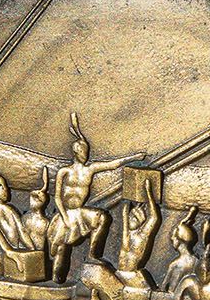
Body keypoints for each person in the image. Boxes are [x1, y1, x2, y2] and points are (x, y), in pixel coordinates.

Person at [47, 115, 144, 277]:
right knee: (61, 248)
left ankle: (93, 255)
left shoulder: (89, 170)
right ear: (76, 151)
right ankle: (56, 279)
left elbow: (112, 165)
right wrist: (65, 218)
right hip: (66, 214)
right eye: (83, 151)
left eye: (87, 151)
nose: (86, 153)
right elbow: (57, 197)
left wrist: (133, 158)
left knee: (101, 218)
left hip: (79, 212)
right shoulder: (65, 172)